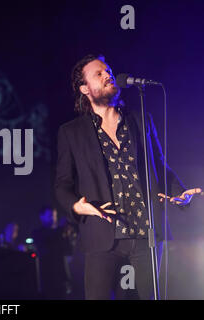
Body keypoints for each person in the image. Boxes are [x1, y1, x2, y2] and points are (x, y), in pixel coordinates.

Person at [54, 54, 202, 300]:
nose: (107, 75)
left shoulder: (141, 119)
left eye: (108, 70)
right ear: (85, 89)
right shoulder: (71, 133)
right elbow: (62, 185)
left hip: (146, 233)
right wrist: (77, 206)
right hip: (103, 237)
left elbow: (160, 166)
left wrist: (179, 193)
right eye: (98, 74)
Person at [31, 207, 75, 299]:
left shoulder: (60, 232)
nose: (53, 218)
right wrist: (61, 231)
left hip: (62, 276)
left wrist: (67, 235)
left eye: (55, 216)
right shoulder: (38, 233)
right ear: (41, 217)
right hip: (46, 277)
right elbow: (47, 248)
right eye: (50, 215)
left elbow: (69, 250)